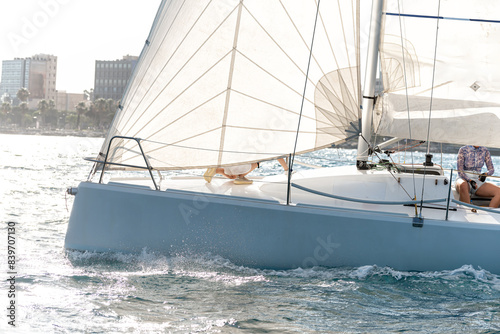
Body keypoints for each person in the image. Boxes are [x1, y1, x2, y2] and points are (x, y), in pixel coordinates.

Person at [455, 145, 500, 209]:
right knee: (463, 185)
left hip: (478, 181)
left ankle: (489, 214)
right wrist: (470, 180)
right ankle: (468, 214)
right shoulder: (463, 149)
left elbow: (491, 169)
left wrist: (485, 174)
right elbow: (460, 171)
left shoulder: (485, 150)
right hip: (463, 178)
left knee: (499, 192)